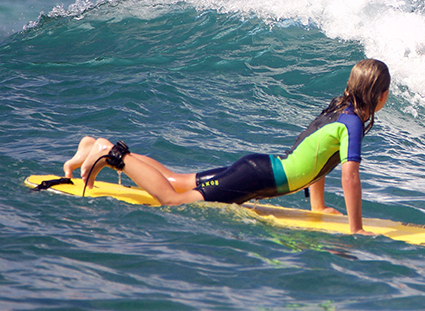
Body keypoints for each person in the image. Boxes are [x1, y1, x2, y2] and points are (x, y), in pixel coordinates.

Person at [63, 58, 391, 235]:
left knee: (176, 179)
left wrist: (316, 210)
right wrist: (356, 229)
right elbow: (349, 177)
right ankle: (110, 152)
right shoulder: (352, 125)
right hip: (257, 178)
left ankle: (92, 144)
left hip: (259, 168)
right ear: (380, 95)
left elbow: (317, 162)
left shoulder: (338, 111)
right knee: (172, 200)